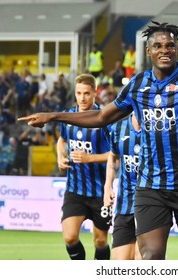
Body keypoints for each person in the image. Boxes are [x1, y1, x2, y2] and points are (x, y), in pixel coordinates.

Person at [18, 21, 178, 260]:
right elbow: (100, 116)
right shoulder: (137, 85)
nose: (165, 50)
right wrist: (53, 116)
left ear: (177, 49)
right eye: (158, 46)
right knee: (150, 257)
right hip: (150, 186)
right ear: (148, 50)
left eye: (170, 45)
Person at [57, 73, 112, 260]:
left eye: (86, 93)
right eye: (78, 93)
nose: (82, 98)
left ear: (95, 93)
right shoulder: (68, 117)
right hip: (75, 190)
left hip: (100, 192)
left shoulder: (104, 119)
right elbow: (61, 140)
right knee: (70, 237)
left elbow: (116, 157)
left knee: (100, 242)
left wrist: (90, 158)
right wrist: (60, 157)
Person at [104, 113, 142, 260]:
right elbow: (113, 157)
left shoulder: (157, 129)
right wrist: (108, 186)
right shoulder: (118, 128)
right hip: (124, 206)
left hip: (150, 206)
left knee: (143, 259)